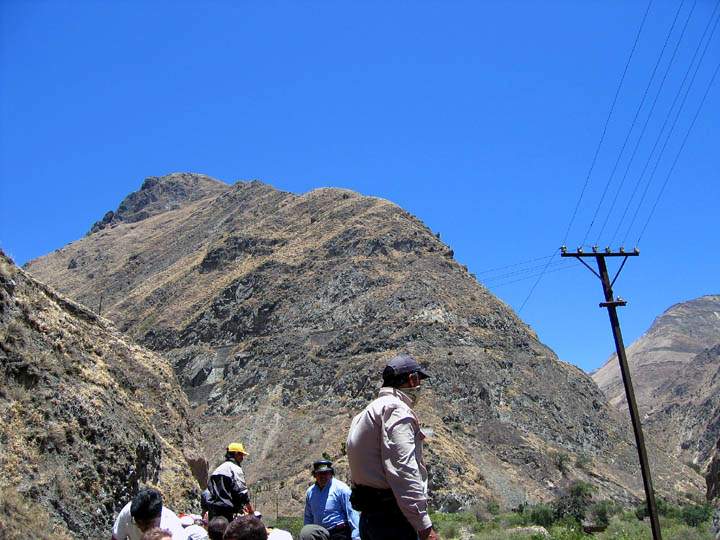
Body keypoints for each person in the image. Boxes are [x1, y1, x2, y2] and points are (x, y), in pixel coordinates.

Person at [346, 354, 439, 540]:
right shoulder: (396, 409)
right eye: (419, 380)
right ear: (412, 379)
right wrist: (424, 527)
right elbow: (403, 469)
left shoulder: (365, 413)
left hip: (369, 519)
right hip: (393, 521)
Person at [301, 459, 360, 540]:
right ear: (315, 475)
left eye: (325, 473)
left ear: (331, 474)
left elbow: (352, 514)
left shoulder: (341, 489)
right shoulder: (310, 492)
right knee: (306, 532)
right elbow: (308, 517)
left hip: (340, 531)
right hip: (320, 533)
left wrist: (356, 537)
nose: (322, 476)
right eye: (319, 474)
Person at [112, 488, 188, 540]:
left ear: (159, 516)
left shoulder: (173, 529)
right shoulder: (129, 513)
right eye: (138, 522)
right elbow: (116, 538)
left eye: (147, 524)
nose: (141, 527)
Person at [206, 442, 254, 521]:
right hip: (227, 512)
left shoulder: (217, 470)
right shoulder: (235, 468)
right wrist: (250, 511)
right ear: (235, 454)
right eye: (241, 454)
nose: (242, 458)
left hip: (213, 510)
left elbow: (209, 491)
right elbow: (242, 492)